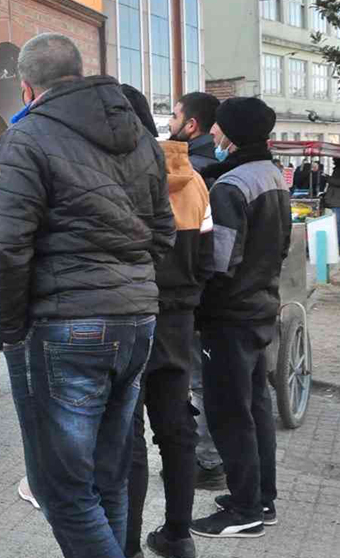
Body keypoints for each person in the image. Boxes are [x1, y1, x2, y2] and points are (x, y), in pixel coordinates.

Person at [0, 34, 175, 558]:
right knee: (105, 478)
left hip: (66, 325)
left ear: (27, 88)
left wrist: (14, 327)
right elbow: (163, 230)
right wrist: (129, 282)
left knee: (60, 489)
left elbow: (0, 246)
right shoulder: (139, 136)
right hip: (135, 320)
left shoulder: (27, 138)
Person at [191, 98, 291, 539]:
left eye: (217, 129)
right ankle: (260, 498)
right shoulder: (273, 177)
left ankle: (245, 510)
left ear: (232, 135)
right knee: (255, 407)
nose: (212, 135)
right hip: (262, 308)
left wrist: (199, 306)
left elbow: (219, 262)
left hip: (230, 317)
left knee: (230, 413)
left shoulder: (230, 187)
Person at [122, 85, 214, 558]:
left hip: (131, 315)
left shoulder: (119, 178)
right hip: (179, 318)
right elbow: (209, 257)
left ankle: (128, 543)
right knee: (176, 427)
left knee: (128, 434)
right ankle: (179, 535)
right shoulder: (193, 180)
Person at [167, 90, 227, 490]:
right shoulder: (220, 168)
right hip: (205, 292)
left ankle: (206, 461)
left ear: (191, 125)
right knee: (203, 380)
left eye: (174, 116)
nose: (169, 124)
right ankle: (207, 457)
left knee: (194, 381)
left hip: (184, 298)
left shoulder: (196, 171)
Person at [168, 92, 220, 175]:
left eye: (174, 117)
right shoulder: (221, 159)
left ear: (191, 125)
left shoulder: (184, 170)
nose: (170, 122)